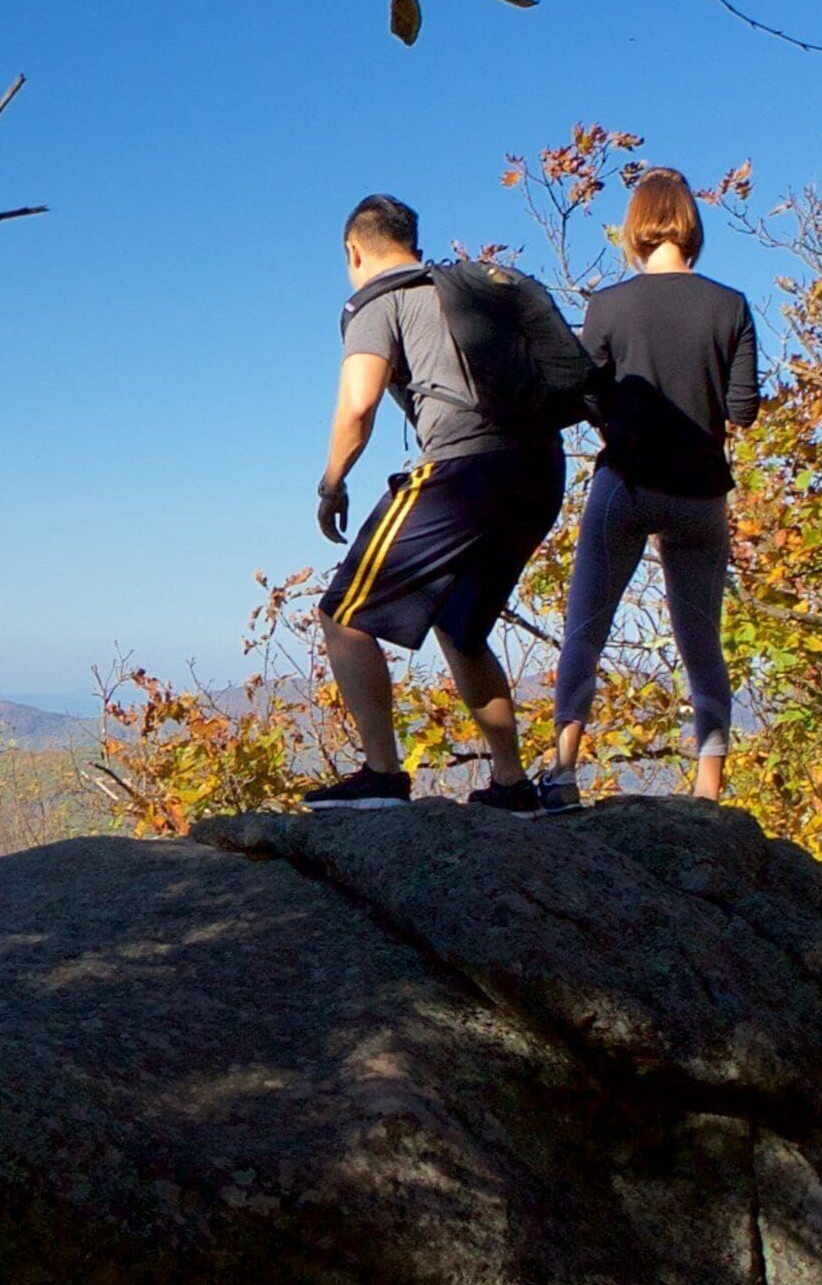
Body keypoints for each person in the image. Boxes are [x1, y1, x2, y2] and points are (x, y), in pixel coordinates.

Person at [303, 193, 594, 812]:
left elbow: (358, 405)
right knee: (461, 625)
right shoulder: (465, 290)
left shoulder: (382, 300)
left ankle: (381, 776)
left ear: (354, 251)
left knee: (343, 614)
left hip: (465, 469)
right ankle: (512, 786)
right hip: (540, 470)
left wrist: (332, 482)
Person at [543, 167, 761, 807]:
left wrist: (616, 413)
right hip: (701, 492)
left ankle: (561, 773)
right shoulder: (731, 306)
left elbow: (581, 391)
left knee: (586, 625)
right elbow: (743, 408)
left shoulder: (609, 306)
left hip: (627, 485)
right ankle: (708, 788)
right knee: (702, 639)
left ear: (636, 226)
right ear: (692, 225)